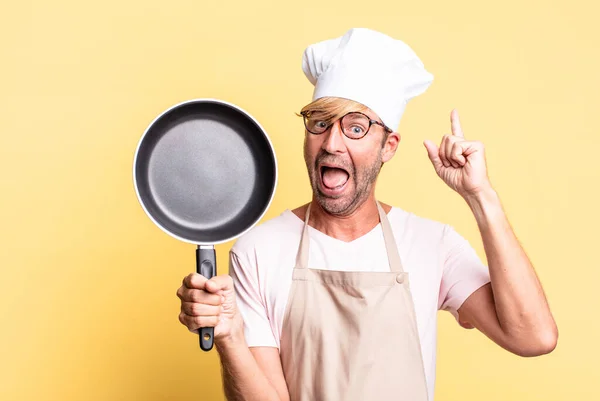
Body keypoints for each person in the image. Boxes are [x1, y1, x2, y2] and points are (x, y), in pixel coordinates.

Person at [176, 28, 558, 401]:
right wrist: (230, 337)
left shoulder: (433, 245)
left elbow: (533, 337)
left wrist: (481, 197)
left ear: (388, 146)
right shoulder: (258, 249)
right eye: (320, 124)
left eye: (355, 128)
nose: (332, 143)